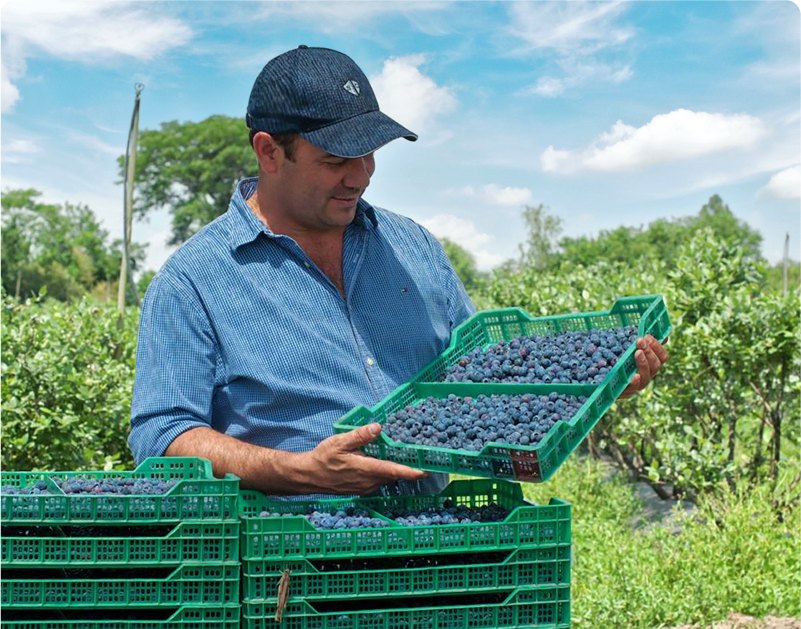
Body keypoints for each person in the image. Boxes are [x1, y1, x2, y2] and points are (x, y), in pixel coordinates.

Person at [128, 45, 667, 497]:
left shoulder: (413, 246)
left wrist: (587, 387)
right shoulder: (194, 282)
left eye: (369, 154)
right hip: (292, 554)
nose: (360, 176)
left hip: (429, 543)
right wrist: (298, 470)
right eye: (336, 160)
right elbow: (162, 435)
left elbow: (485, 377)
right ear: (270, 152)